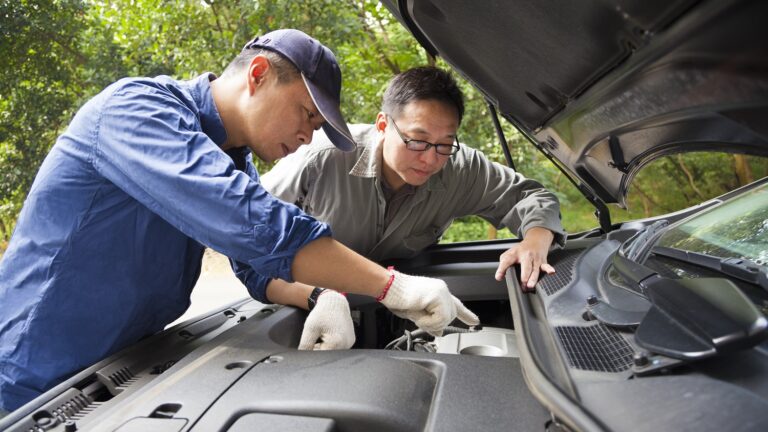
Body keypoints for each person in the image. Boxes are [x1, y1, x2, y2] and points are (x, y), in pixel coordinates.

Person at [0, 30, 479, 413]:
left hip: (123, 371)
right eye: (307, 113)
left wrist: (320, 295)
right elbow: (259, 227)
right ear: (257, 74)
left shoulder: (232, 160)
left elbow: (255, 266)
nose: (309, 134)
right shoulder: (137, 111)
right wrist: (394, 288)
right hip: (31, 372)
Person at [262, 66, 565, 350]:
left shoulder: (460, 169)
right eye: (417, 141)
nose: (430, 160)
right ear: (383, 125)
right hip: (302, 311)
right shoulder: (321, 159)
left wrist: (536, 240)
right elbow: (250, 247)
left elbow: (533, 196)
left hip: (388, 314)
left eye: (444, 145)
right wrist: (319, 297)